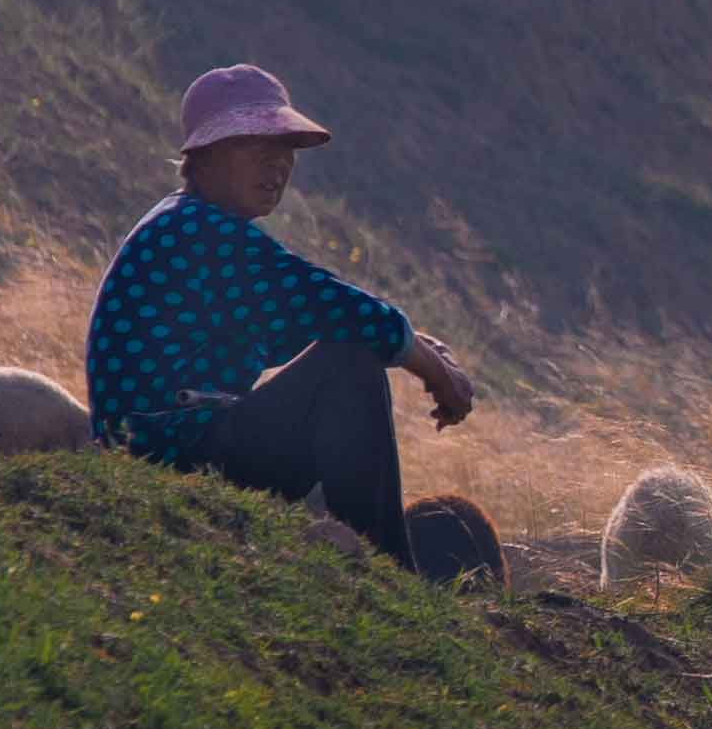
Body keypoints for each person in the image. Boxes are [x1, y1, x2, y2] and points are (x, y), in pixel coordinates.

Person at [85, 64, 488, 574]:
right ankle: (391, 572)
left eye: (286, 152)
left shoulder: (190, 226)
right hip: (168, 454)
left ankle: (379, 567)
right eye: (256, 149)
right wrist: (428, 365)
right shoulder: (198, 231)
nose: (277, 166)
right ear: (205, 157)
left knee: (348, 351)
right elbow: (325, 304)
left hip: (174, 449)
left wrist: (415, 344)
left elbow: (305, 318)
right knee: (348, 367)